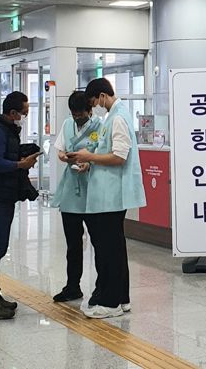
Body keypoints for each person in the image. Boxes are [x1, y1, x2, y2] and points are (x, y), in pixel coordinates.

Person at [68, 78, 146, 319]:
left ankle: (110, 302)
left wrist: (89, 156)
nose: (97, 107)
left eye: (96, 102)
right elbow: (106, 153)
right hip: (106, 194)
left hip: (111, 196)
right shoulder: (113, 116)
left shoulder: (118, 118)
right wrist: (88, 164)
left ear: (102, 95)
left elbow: (119, 157)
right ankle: (121, 298)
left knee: (108, 250)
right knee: (114, 248)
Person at [0, 91, 41, 320]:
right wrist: (20, 164)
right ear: (11, 112)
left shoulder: (5, 130)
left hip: (3, 197)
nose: (24, 117)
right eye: (23, 113)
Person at [50, 91, 102, 303]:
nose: (77, 118)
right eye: (74, 114)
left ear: (90, 109)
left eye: (81, 114)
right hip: (72, 189)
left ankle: (102, 287)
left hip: (93, 189)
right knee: (73, 244)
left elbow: (104, 153)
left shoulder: (100, 127)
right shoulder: (67, 124)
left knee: (99, 243)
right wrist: (63, 156)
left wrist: (89, 162)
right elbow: (60, 149)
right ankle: (72, 286)